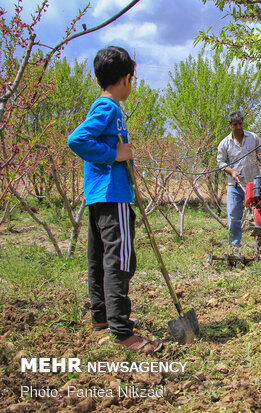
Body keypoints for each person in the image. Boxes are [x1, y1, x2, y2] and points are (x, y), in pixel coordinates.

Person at [67, 46, 162, 354]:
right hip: (114, 195)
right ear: (125, 78)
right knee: (120, 260)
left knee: (99, 258)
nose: (131, 85)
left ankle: (102, 316)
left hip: (99, 196)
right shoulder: (108, 108)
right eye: (132, 79)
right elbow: (77, 140)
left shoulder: (106, 108)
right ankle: (122, 331)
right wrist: (115, 154)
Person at [217, 111, 261, 248]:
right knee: (234, 216)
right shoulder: (224, 144)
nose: (238, 127)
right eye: (235, 125)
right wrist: (231, 171)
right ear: (230, 125)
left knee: (259, 214)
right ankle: (235, 245)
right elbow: (220, 162)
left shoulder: (253, 138)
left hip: (254, 185)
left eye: (240, 124)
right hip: (235, 185)